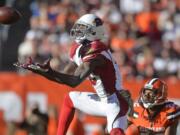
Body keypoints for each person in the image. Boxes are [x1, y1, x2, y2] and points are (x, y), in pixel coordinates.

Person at [14, 14, 131, 135]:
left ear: (94, 32)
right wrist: (43, 72)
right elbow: (65, 76)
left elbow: (74, 80)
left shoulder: (97, 49)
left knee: (115, 132)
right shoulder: (79, 48)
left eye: (83, 28)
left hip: (116, 103)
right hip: (104, 101)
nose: (78, 31)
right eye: (78, 27)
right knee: (70, 99)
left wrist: (48, 73)